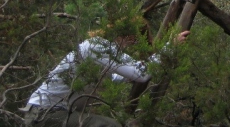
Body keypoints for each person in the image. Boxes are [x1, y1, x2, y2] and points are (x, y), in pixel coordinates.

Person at [22, 29, 190, 126]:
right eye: (134, 42)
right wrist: (169, 48)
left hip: (43, 112)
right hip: (44, 113)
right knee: (109, 126)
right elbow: (141, 74)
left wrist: (126, 76)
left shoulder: (99, 49)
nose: (132, 47)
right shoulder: (99, 47)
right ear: (130, 37)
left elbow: (116, 77)